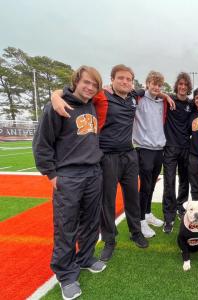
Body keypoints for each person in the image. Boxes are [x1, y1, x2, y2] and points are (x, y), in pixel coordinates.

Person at [51, 64, 149, 263]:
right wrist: (54, 96)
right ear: (111, 80)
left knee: (132, 197)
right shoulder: (101, 96)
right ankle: (109, 240)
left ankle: (135, 232)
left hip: (129, 155)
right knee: (107, 202)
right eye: (120, 78)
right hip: (106, 156)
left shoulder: (133, 97)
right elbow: (69, 91)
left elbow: (151, 90)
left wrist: (163, 95)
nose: (125, 82)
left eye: (129, 79)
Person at [33, 66, 106, 300]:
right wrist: (52, 174)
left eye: (94, 85)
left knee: (91, 221)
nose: (90, 88)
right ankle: (66, 274)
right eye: (86, 82)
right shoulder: (57, 105)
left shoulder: (93, 104)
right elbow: (42, 142)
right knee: (66, 226)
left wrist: (55, 92)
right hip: (69, 175)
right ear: (76, 81)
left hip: (93, 172)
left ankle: (85, 258)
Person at [133, 71, 168, 238]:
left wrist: (165, 95)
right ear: (147, 83)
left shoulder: (162, 101)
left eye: (159, 85)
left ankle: (147, 214)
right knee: (145, 187)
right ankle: (140, 221)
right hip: (144, 148)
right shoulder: (138, 98)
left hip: (159, 149)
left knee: (152, 185)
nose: (156, 88)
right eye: (153, 84)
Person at [162, 72, 193, 233]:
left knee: (184, 181)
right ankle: (168, 217)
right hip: (170, 147)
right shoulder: (169, 99)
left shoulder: (191, 103)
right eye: (180, 84)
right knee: (169, 182)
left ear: (188, 88)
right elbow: (151, 91)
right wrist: (165, 95)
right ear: (176, 86)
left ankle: (181, 208)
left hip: (185, 147)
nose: (182, 87)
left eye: (185, 85)